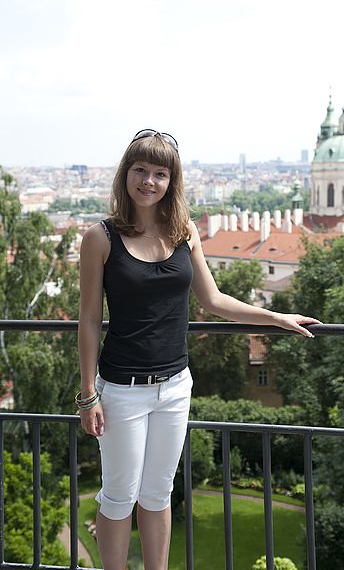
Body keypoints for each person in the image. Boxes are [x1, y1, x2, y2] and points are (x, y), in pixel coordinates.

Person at [77, 129, 321, 570]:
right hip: (122, 389)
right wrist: (88, 393)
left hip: (174, 386)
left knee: (157, 492)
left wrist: (277, 318)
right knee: (118, 495)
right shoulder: (101, 237)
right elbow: (90, 319)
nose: (148, 181)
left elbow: (213, 300)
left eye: (159, 173)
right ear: (125, 174)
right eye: (140, 170)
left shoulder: (183, 231)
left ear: (172, 181)